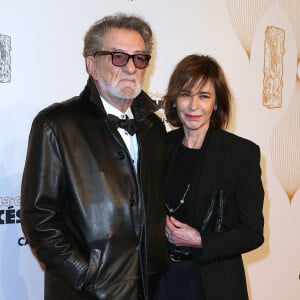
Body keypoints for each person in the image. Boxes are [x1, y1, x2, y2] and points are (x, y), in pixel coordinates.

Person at [20, 13, 168, 300]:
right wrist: (86, 277)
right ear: (91, 65)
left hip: (149, 291)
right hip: (85, 292)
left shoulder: (154, 127)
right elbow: (39, 217)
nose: (130, 67)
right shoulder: (56, 124)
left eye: (139, 58)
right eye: (118, 57)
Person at [156, 54, 264, 300]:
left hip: (213, 285)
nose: (194, 106)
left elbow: (252, 233)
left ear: (216, 103)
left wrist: (200, 240)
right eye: (185, 95)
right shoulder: (160, 146)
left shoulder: (241, 153)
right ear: (174, 101)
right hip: (163, 282)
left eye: (204, 96)